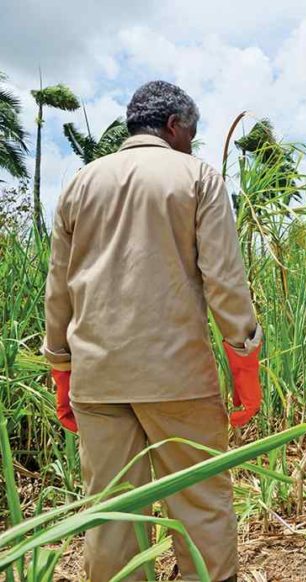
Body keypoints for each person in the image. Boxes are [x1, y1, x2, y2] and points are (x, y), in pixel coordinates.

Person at [43, 80, 261, 582]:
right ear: (173, 126)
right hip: (177, 377)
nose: (193, 141)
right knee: (200, 501)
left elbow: (59, 289)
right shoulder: (198, 178)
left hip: (98, 379)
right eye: (193, 131)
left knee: (112, 510)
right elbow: (225, 284)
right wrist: (244, 367)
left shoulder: (80, 184)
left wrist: (61, 371)